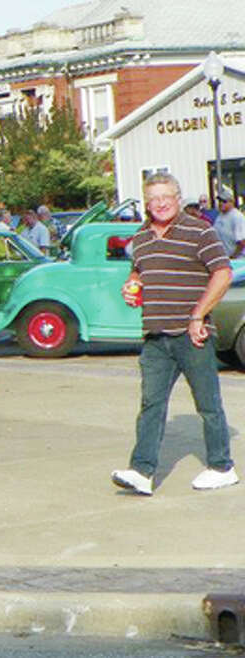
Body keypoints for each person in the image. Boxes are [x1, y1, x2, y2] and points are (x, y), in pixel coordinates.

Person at [113, 172, 238, 495]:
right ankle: (142, 471)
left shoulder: (199, 231)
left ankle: (222, 467)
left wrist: (198, 315)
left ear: (178, 198)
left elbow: (222, 273)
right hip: (155, 335)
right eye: (153, 198)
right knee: (151, 405)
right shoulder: (141, 236)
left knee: (207, 404)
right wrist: (131, 286)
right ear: (146, 203)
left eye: (166, 196)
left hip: (192, 334)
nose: (161, 204)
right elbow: (138, 271)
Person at [212, 187, 245, 258]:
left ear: (232, 202)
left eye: (224, 201)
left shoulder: (237, 217)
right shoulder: (220, 216)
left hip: (237, 259)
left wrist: (233, 257)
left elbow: (242, 242)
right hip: (223, 257)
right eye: (220, 201)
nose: (221, 203)